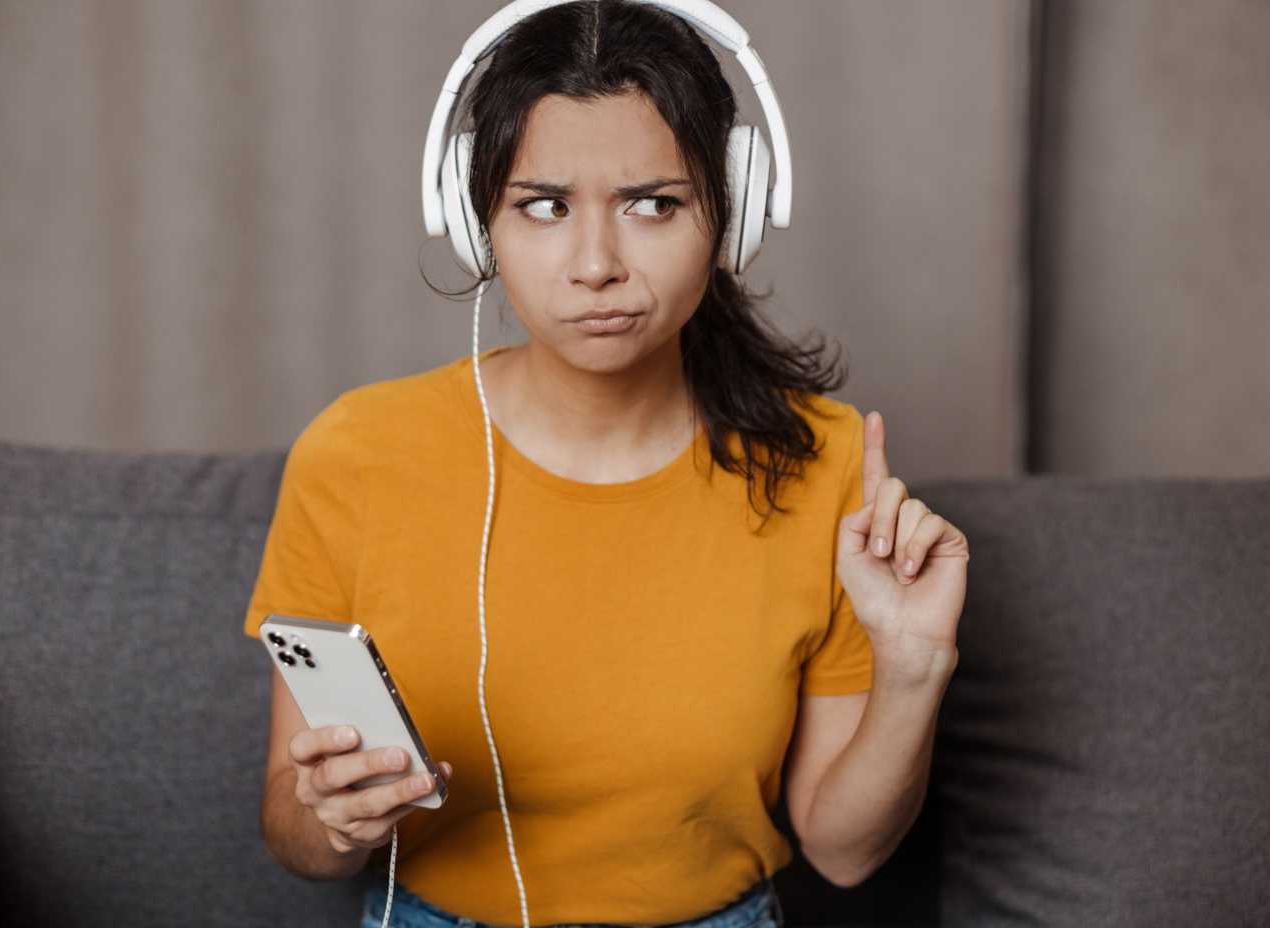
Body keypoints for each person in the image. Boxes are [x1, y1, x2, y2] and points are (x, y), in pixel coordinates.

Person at [243, 3, 969, 926]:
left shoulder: (822, 464)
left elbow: (844, 849)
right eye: (542, 206)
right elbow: (289, 831)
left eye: (653, 204)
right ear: (476, 227)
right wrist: (335, 822)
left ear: (731, 214)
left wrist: (913, 668)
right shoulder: (355, 454)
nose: (596, 264)